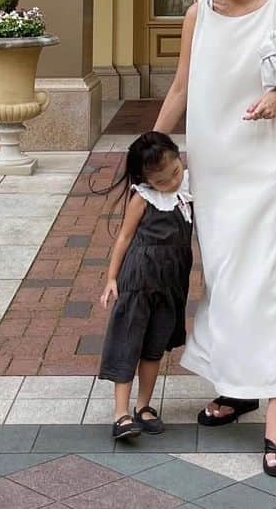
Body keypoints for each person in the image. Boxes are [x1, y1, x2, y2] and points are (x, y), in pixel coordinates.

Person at [153, 0, 276, 479]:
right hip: (212, 166)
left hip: (264, 165)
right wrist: (150, 149)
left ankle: (275, 413)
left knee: (263, 279)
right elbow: (181, 85)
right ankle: (237, 387)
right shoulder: (199, 16)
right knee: (223, 278)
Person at [97, 132, 193, 440]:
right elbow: (124, 238)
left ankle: (144, 406)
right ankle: (121, 413)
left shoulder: (189, 189)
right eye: (163, 181)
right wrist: (112, 278)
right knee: (128, 342)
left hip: (171, 283)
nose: (172, 182)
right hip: (139, 279)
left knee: (154, 348)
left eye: (175, 172)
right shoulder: (142, 198)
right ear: (146, 179)